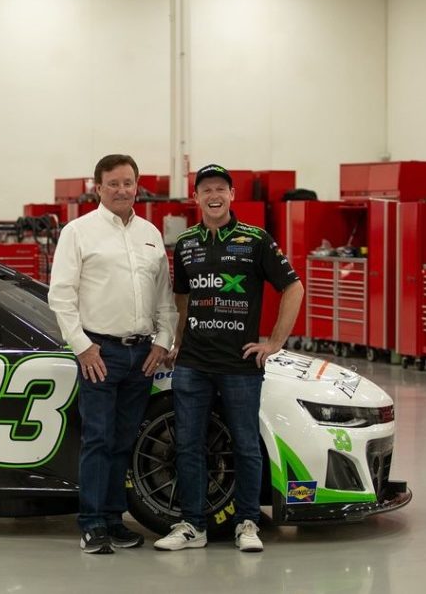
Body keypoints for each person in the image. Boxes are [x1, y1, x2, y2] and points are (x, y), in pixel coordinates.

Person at [153, 164, 303, 553]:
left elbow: (293, 287)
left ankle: (247, 522)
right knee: (188, 446)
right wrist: (177, 341)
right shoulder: (186, 243)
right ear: (196, 197)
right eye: (206, 189)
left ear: (232, 195)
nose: (214, 195)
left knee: (246, 446)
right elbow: (182, 297)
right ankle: (193, 525)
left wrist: (274, 342)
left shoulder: (255, 240)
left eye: (221, 188)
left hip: (240, 365)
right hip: (192, 364)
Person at [48, 154, 177, 555]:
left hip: (142, 354)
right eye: (114, 183)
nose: (122, 190)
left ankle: (114, 519)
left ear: (137, 186)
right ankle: (91, 523)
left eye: (128, 182)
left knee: (124, 441)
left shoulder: (150, 234)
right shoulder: (78, 232)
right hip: (100, 354)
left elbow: (164, 297)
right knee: (99, 440)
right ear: (98, 187)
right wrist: (83, 347)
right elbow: (61, 296)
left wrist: (163, 339)